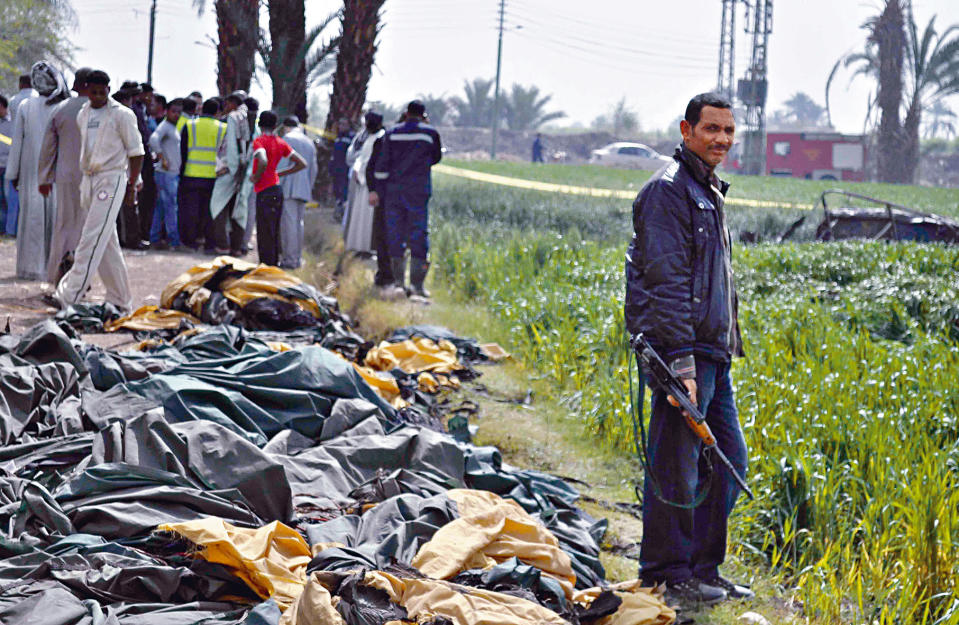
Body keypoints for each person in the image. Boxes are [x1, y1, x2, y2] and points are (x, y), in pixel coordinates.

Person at [624, 92, 752, 609]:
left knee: (727, 459)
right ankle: (666, 570)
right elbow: (667, 281)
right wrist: (680, 364)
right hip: (684, 352)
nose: (721, 138)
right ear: (686, 130)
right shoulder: (668, 193)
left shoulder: (707, 191)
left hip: (711, 352)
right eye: (711, 129)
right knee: (677, 464)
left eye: (728, 130)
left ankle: (703, 568)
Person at [54, 69, 142, 313]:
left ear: (109, 90)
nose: (97, 96)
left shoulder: (122, 115)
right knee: (106, 240)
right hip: (89, 179)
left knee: (90, 238)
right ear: (86, 90)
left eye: (102, 92)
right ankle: (121, 299)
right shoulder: (83, 113)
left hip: (112, 180)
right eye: (93, 92)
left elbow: (136, 153)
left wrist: (132, 185)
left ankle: (68, 294)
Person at [372, 100, 442, 299]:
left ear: (406, 113)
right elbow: (436, 158)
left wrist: (378, 189)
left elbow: (382, 163)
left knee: (396, 234)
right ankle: (417, 286)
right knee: (419, 234)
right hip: (418, 191)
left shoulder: (392, 133)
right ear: (423, 114)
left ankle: (399, 284)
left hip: (394, 192)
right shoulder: (430, 133)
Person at [5, 61, 69, 281]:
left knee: (32, 220)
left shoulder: (26, 106)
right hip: (57, 173)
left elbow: (17, 144)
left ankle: (30, 268)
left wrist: (13, 174)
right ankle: (54, 269)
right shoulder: (64, 106)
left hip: (31, 173)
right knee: (55, 219)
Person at [38, 66, 93, 285]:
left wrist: (44, 179)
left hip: (66, 176)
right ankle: (81, 279)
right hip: (94, 177)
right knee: (88, 227)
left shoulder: (60, 110)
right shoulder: (103, 110)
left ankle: (57, 276)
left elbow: (48, 149)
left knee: (64, 224)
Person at [250, 110, 306, 266]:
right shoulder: (281, 142)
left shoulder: (259, 141)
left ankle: (265, 266)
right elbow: (302, 163)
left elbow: (262, 160)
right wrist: (279, 173)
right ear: (276, 126)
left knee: (264, 230)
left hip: (264, 191)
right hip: (277, 189)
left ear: (260, 124)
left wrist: (257, 177)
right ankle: (274, 264)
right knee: (274, 229)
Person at [178, 98, 225, 252]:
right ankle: (209, 244)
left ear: (202, 109)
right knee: (209, 212)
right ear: (217, 112)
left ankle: (191, 242)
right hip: (213, 177)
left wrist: (182, 173)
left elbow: (183, 152)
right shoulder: (222, 128)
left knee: (191, 211)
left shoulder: (189, 125)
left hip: (190, 175)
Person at [209, 91, 250, 255]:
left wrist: (233, 169)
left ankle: (224, 245)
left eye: (227, 104)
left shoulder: (234, 118)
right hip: (243, 171)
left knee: (217, 206)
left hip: (231, 171)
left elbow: (233, 145)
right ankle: (236, 247)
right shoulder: (246, 116)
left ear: (233, 103)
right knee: (238, 209)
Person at [277, 115, 317, 269]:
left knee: (288, 225)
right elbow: (313, 168)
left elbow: (281, 166)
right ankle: (297, 258)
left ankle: (290, 260)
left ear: (286, 126)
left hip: (289, 188)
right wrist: (309, 186)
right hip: (304, 188)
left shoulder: (287, 139)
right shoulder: (309, 141)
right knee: (298, 224)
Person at [343, 111, 384, 255]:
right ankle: (359, 247)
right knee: (358, 215)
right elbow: (357, 157)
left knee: (368, 217)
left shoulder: (381, 138)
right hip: (361, 181)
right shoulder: (364, 137)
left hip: (371, 184)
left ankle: (366, 248)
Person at [148, 98, 184, 250]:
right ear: (167, 111)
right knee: (170, 207)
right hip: (166, 173)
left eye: (178, 112)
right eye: (173, 111)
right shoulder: (165, 127)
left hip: (169, 173)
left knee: (162, 207)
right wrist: (161, 157)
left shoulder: (171, 127)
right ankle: (173, 241)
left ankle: (155, 238)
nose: (176, 114)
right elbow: (153, 140)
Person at [329, 118, 353, 221]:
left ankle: (344, 215)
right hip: (336, 171)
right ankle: (338, 213)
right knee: (337, 192)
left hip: (345, 171)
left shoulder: (351, 137)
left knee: (344, 193)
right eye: (340, 124)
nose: (341, 126)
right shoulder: (338, 138)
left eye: (344, 124)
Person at [0, 95, 13, 237]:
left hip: (7, 165)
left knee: (7, 198)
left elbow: (11, 143)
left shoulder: (12, 123)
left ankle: (8, 229)